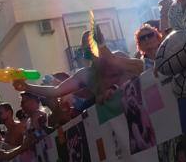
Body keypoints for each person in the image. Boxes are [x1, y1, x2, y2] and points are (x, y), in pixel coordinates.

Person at [13, 28, 143, 107]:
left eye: (92, 44)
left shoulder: (117, 57)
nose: (89, 49)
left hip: (140, 103)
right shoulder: (85, 75)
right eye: (86, 47)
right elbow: (57, 91)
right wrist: (27, 87)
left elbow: (140, 66)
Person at [122, 78, 156, 154]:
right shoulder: (131, 116)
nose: (132, 98)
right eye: (130, 95)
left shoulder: (141, 109)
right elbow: (140, 143)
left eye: (133, 90)